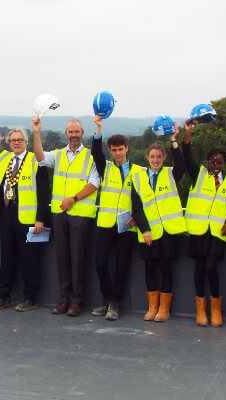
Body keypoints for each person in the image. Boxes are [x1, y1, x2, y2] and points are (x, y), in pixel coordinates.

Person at [0, 127, 50, 312]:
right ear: (9, 143)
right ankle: (3, 296)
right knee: (7, 257)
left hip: (28, 217)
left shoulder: (36, 160)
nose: (16, 142)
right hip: (6, 214)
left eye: (20, 139)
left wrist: (41, 219)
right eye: (13, 140)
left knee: (30, 259)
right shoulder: (3, 158)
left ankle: (30, 298)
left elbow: (44, 191)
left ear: (26, 142)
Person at [32, 117, 99, 317]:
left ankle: (77, 301)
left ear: (82, 133)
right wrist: (36, 133)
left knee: (78, 259)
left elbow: (94, 183)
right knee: (62, 257)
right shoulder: (59, 154)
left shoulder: (91, 156)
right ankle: (64, 299)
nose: (73, 135)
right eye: (70, 132)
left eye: (76, 132)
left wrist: (74, 199)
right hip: (60, 214)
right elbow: (39, 157)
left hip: (80, 213)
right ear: (66, 133)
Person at [182, 121, 226, 327]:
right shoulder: (198, 175)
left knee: (211, 268)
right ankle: (201, 310)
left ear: (224, 164)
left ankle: (216, 309)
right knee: (199, 269)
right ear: (208, 162)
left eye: (219, 163)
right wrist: (187, 134)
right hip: (199, 231)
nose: (216, 167)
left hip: (217, 233)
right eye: (213, 163)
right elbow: (187, 156)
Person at [130, 127, 187, 322]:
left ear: (164, 158)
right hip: (147, 233)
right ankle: (152, 307)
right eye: (152, 157)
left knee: (165, 269)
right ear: (147, 157)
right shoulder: (137, 178)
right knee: (149, 269)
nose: (155, 160)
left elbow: (181, 162)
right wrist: (145, 230)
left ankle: (164, 308)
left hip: (167, 232)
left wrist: (173, 140)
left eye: (159, 157)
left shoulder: (171, 174)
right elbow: (136, 208)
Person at [90, 116, 139, 320]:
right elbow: (95, 153)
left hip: (127, 226)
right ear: (110, 151)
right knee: (100, 262)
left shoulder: (138, 172)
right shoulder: (106, 168)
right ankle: (106, 298)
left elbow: (142, 199)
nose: (118, 153)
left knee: (122, 266)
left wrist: (137, 217)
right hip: (106, 223)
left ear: (127, 148)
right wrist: (98, 129)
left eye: (121, 149)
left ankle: (115, 304)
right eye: (114, 150)